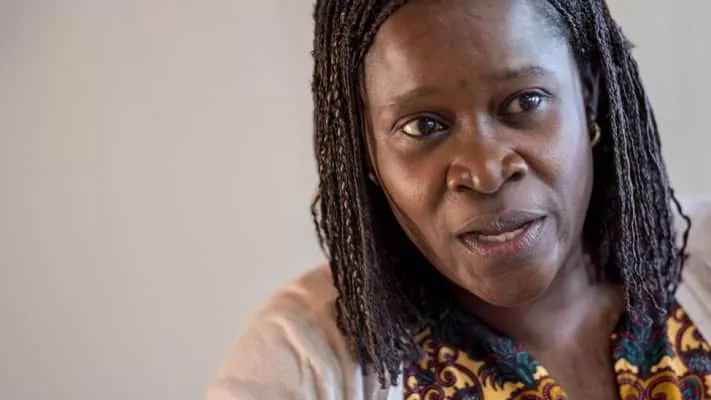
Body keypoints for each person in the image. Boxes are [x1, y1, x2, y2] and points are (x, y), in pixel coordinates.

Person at [207, 0, 711, 398]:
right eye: (423, 126)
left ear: (589, 93)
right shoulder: (305, 360)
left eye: (525, 101)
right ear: (365, 151)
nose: (485, 172)